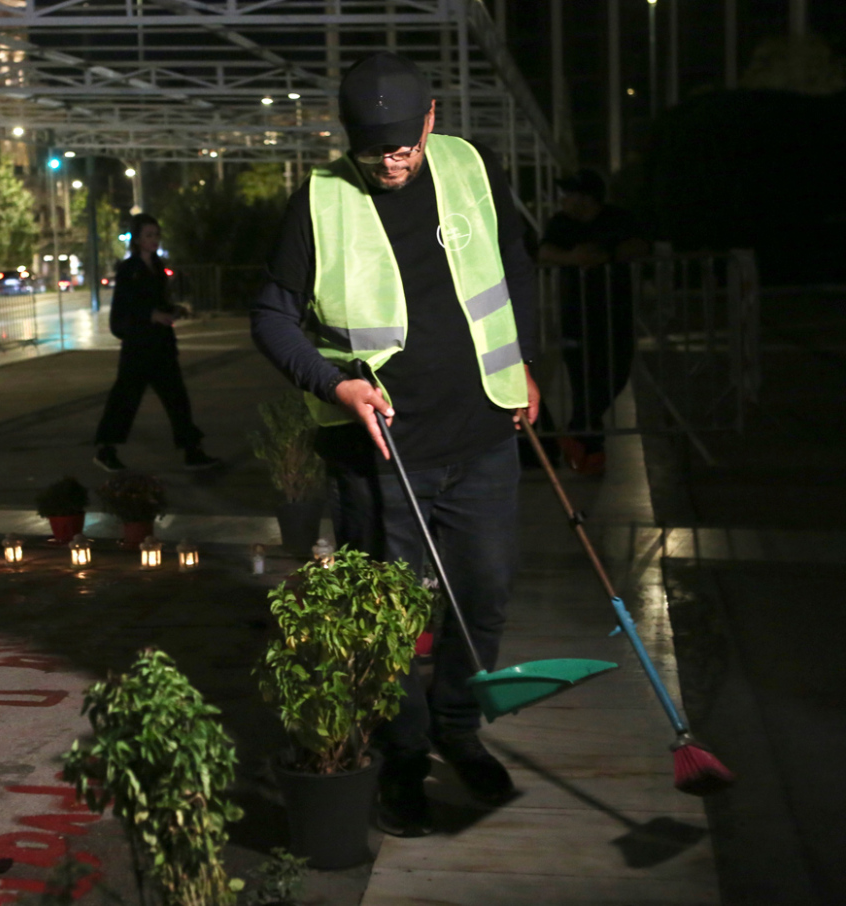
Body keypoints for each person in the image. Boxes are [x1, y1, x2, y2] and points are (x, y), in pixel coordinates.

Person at [251, 52, 540, 836]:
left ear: (432, 122)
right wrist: (334, 385)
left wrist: (529, 366)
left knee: (482, 596)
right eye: (374, 146)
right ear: (348, 136)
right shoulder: (319, 200)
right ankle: (404, 756)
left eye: (404, 144)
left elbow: (512, 267)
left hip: (482, 436)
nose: (390, 159)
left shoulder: (469, 167)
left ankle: (458, 728)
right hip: (378, 455)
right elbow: (272, 317)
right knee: (387, 622)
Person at [538, 169, 649, 475]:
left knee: (615, 375)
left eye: (569, 194)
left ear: (587, 197)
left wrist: (607, 255)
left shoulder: (617, 219)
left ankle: (576, 435)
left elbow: (641, 246)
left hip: (615, 312)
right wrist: (572, 258)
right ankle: (590, 451)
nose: (563, 200)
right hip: (576, 314)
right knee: (583, 384)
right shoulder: (562, 224)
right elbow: (545, 251)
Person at [93, 213, 220, 472]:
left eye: (156, 235)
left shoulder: (159, 267)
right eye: (148, 235)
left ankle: (191, 450)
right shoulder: (129, 269)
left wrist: (174, 310)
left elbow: (158, 301)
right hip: (139, 346)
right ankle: (106, 450)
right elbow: (125, 308)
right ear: (137, 239)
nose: (154, 240)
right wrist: (151, 315)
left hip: (161, 345)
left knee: (177, 399)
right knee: (125, 399)